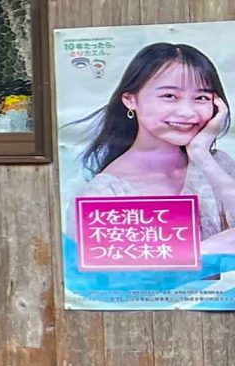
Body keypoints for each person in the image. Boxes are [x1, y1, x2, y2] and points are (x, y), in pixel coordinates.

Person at [77, 41, 235, 255]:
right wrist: (203, 251)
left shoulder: (217, 164)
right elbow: (111, 280)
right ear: (130, 100)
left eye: (201, 98)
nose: (188, 113)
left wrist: (202, 156)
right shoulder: (104, 192)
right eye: (170, 96)